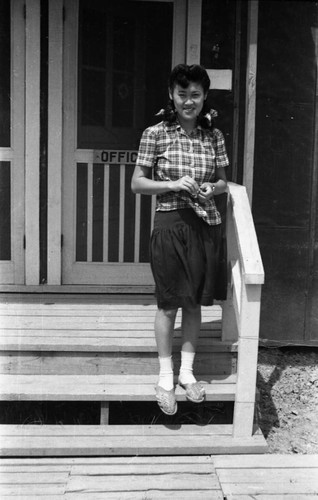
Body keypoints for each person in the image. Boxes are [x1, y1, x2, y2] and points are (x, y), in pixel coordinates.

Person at [131, 64, 229, 415]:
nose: (189, 101)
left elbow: (222, 182)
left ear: (204, 99)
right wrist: (172, 184)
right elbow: (138, 183)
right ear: (172, 96)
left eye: (196, 95)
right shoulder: (155, 134)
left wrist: (210, 187)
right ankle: (165, 377)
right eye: (182, 94)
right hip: (170, 224)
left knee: (193, 302)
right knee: (168, 302)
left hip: (204, 224)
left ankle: (188, 375)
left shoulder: (213, 136)